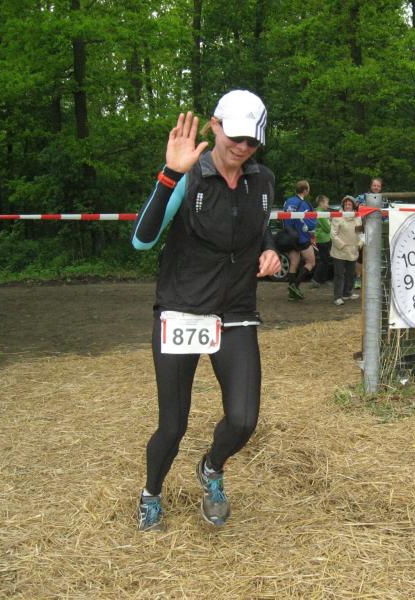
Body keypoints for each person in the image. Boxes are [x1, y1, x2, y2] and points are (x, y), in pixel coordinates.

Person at [130, 90, 280, 532]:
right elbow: (141, 239)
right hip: (183, 310)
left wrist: (271, 251)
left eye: (252, 141)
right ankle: (151, 494)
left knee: (244, 420)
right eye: (235, 137)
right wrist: (169, 176)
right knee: (172, 426)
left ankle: (212, 468)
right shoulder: (189, 175)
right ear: (215, 126)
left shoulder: (263, 180)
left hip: (235, 311)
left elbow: (260, 226)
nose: (243, 147)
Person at [282, 180, 316, 300]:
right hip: (301, 238)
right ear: (305, 190)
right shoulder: (305, 204)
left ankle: (291, 294)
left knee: (294, 263)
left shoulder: (288, 202)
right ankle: (295, 286)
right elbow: (310, 223)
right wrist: (311, 234)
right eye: (308, 188)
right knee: (311, 262)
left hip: (289, 237)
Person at [330, 195, 362, 305]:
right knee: (339, 275)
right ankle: (337, 297)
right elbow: (333, 234)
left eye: (349, 204)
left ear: (353, 205)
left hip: (353, 250)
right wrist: (342, 245)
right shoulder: (337, 217)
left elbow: (360, 233)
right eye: (345, 204)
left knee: (350, 274)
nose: (347, 206)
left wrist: (360, 244)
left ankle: (347, 293)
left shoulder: (358, 217)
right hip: (339, 252)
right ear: (342, 205)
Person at [353, 177, 383, 289]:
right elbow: (354, 205)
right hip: (362, 228)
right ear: (371, 186)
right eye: (374, 185)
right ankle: (358, 278)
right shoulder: (362, 197)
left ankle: (373, 278)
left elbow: (386, 215)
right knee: (361, 254)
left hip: (376, 230)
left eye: (378, 186)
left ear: (381, 188)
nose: (376, 187)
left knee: (375, 254)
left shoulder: (383, 199)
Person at [310, 195, 331, 287]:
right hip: (323, 239)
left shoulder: (321, 212)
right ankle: (315, 279)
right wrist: (331, 226)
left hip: (323, 238)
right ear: (321, 203)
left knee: (325, 260)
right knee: (323, 260)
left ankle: (322, 280)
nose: (328, 205)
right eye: (327, 203)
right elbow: (327, 228)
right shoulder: (320, 213)